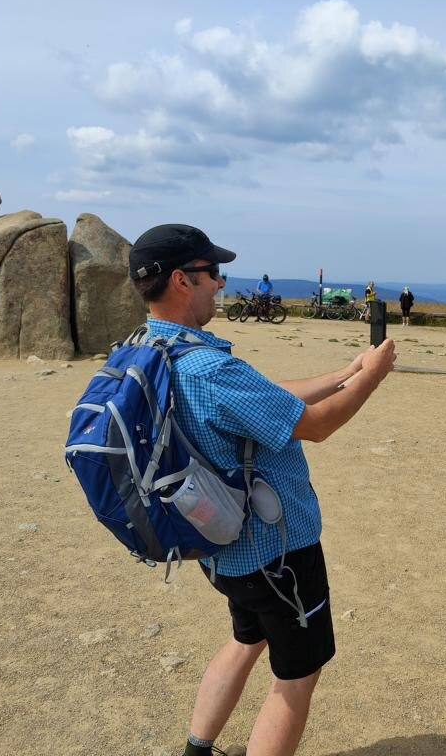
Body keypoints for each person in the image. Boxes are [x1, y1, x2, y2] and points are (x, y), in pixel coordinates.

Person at [126, 224, 396, 756]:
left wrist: (347, 371)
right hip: (275, 553)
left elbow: (266, 398)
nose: (220, 284)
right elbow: (317, 425)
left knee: (247, 637)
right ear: (181, 280)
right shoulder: (207, 368)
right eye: (213, 273)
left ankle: (197, 750)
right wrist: (374, 376)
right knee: (297, 676)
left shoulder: (151, 350)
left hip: (218, 545)